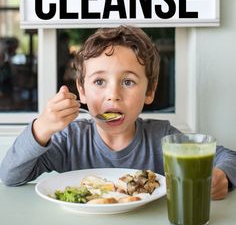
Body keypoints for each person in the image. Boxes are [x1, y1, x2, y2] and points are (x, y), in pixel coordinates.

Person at [0, 26, 235, 200]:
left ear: (149, 92)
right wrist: (40, 128)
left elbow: (229, 157)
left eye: (128, 82)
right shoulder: (70, 140)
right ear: (81, 91)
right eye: (100, 81)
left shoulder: (161, 138)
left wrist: (221, 175)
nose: (113, 94)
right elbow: (10, 175)